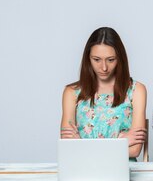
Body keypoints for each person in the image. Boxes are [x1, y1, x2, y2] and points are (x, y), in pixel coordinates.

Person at [61, 27, 147, 159]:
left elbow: (135, 150)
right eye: (96, 59)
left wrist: (82, 145)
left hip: (121, 169)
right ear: (88, 59)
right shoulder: (72, 92)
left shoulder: (136, 90)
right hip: (83, 169)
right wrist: (119, 143)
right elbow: (68, 149)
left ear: (120, 59)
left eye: (111, 60)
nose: (104, 67)